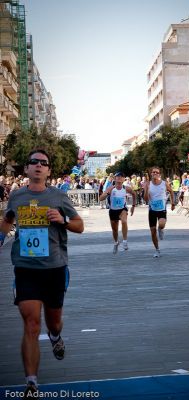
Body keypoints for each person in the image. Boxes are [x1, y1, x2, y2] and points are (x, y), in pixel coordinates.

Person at [0, 149, 84, 398]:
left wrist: (63, 220)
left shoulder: (58, 196)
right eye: (33, 162)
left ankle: (56, 335)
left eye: (43, 163)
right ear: (26, 169)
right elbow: (7, 221)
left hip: (54, 268)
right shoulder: (16, 197)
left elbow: (79, 225)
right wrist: (2, 236)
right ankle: (32, 383)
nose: (38, 166)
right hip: (26, 269)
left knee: (53, 320)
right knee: (31, 324)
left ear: (48, 170)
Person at [99, 171, 136, 253]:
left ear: (123, 179)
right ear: (115, 178)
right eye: (117, 176)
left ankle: (125, 241)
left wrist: (133, 206)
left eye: (121, 176)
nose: (119, 177)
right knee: (115, 230)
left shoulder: (125, 188)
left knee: (124, 221)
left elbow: (134, 194)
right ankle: (116, 243)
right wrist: (107, 193)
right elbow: (101, 198)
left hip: (122, 209)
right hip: (113, 211)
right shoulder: (111, 188)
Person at [144, 166, 175, 258]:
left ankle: (160, 229)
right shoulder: (148, 184)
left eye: (157, 172)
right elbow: (145, 200)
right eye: (153, 172)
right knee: (153, 232)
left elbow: (171, 192)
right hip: (152, 210)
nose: (155, 174)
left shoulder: (164, 184)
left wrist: (173, 203)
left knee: (161, 224)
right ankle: (157, 250)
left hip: (161, 209)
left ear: (159, 174)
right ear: (151, 174)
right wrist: (146, 190)